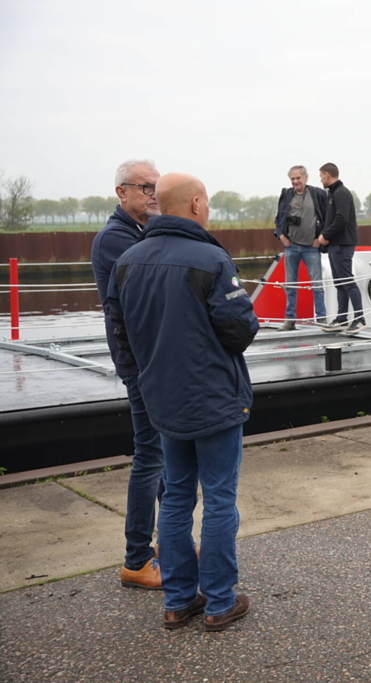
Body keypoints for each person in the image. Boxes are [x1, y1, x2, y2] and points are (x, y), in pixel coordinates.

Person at [108, 173, 259, 632]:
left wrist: (145, 378)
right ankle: (218, 603)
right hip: (213, 399)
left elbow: (119, 333)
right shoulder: (211, 259)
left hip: (162, 401)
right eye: (207, 201)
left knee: (175, 497)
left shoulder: (127, 261)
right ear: (195, 204)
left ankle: (177, 601)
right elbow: (240, 329)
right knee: (218, 499)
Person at [90, 159, 165, 590]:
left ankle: (167, 544)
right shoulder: (115, 239)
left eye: (157, 187)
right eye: (145, 187)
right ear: (122, 192)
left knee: (162, 455)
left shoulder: (138, 232)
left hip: (151, 358)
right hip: (140, 362)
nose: (154, 194)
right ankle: (137, 559)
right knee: (150, 455)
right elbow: (151, 284)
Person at [273, 165, 328, 330]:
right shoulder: (286, 195)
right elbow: (279, 218)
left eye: (298, 178)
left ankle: (322, 319)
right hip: (291, 247)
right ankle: (289, 320)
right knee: (290, 285)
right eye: (293, 179)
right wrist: (281, 235)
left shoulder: (318, 194)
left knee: (317, 284)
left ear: (306, 178)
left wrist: (320, 239)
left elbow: (328, 218)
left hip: (312, 247)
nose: (296, 181)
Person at [315, 162, 365, 334]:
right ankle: (342, 319)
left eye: (321, 176)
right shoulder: (332, 194)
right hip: (335, 245)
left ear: (327, 175)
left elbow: (341, 218)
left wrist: (325, 235)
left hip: (343, 244)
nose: (320, 179)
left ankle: (359, 319)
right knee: (340, 283)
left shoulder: (341, 193)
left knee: (348, 282)